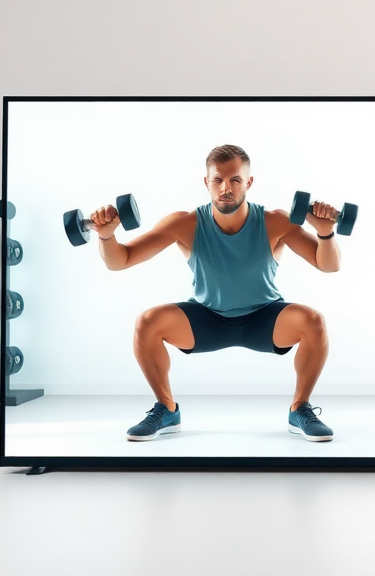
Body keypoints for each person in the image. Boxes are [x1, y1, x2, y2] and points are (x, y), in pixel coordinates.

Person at [88, 144, 341, 443]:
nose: (226, 188)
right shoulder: (184, 224)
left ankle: (300, 409)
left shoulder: (276, 221)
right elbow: (122, 261)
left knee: (314, 321)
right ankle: (166, 409)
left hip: (264, 317)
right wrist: (106, 235)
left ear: (248, 183)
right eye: (218, 180)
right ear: (206, 182)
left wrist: (325, 232)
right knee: (147, 322)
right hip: (207, 318)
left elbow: (329, 265)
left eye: (235, 180)